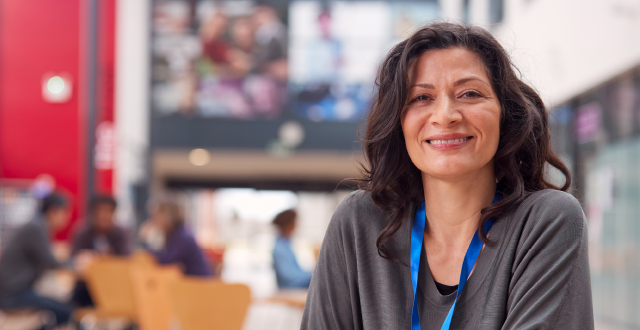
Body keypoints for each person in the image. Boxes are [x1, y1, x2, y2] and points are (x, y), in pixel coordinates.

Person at [302, 23, 594, 329]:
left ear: (505, 115)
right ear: (399, 123)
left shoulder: (546, 221)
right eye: (420, 98)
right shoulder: (359, 222)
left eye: (469, 93)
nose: (445, 115)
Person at [0, 193, 75, 328]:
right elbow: (50, 262)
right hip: (13, 294)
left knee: (63, 309)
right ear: (53, 211)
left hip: (17, 290)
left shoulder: (38, 225)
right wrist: (77, 264)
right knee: (65, 311)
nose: (67, 218)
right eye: (65, 213)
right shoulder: (36, 227)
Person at [70, 195, 130, 307]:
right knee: (71, 307)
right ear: (93, 213)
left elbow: (125, 261)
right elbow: (74, 260)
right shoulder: (83, 233)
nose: (104, 215)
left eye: (109, 211)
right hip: (86, 287)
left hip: (113, 287)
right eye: (101, 211)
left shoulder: (120, 234)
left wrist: (96, 259)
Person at [140, 199, 212, 277]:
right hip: (191, 283)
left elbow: (164, 260)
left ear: (168, 216)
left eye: (157, 216)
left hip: (200, 285)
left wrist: (145, 240)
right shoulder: (177, 234)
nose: (153, 220)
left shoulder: (184, 237)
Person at [272, 209, 312, 289]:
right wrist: (311, 275)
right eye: (295, 222)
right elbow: (289, 276)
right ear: (289, 224)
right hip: (291, 288)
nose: (297, 225)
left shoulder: (286, 244)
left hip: (296, 285)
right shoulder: (280, 248)